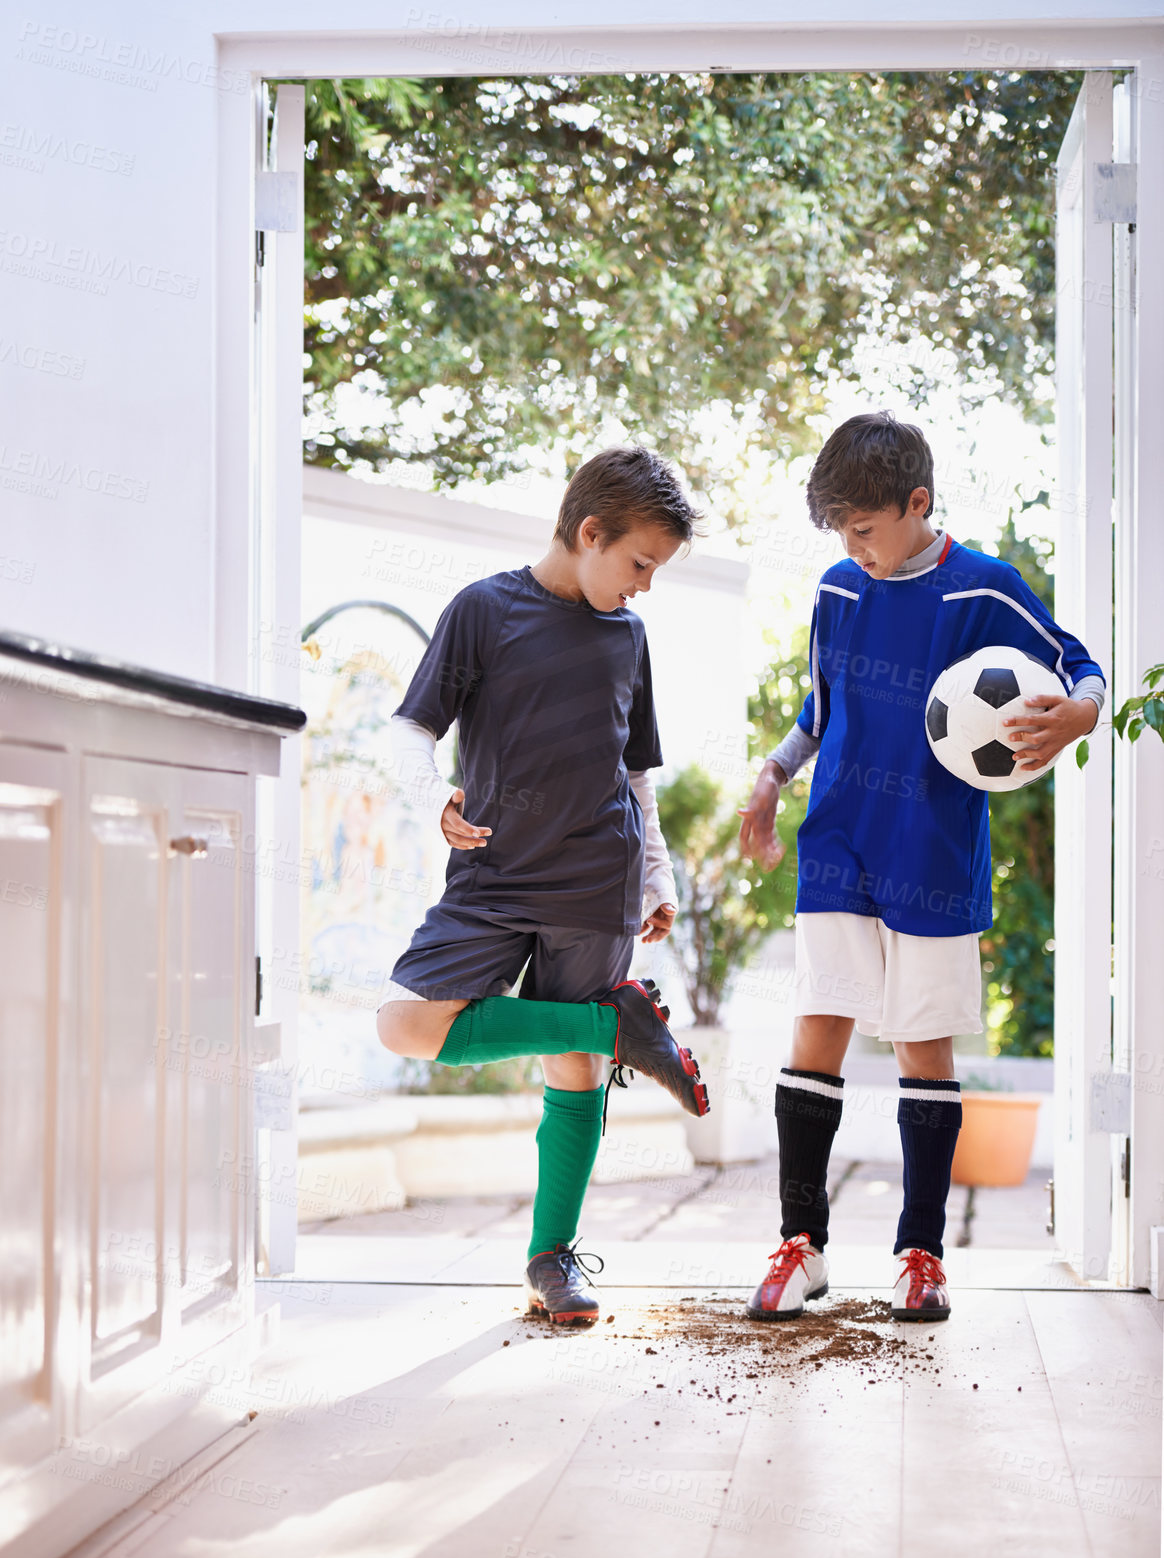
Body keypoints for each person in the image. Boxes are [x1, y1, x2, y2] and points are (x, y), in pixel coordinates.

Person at [737, 412, 1104, 1322]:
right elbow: (818, 713)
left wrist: (1082, 713)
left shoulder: (986, 588)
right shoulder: (836, 591)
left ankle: (921, 1255)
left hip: (933, 852)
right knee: (816, 1026)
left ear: (918, 503)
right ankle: (802, 1243)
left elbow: (1082, 666)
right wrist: (773, 774)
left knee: (922, 1044)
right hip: (838, 840)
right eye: (839, 534)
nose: (853, 549)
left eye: (864, 529)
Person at [376, 446, 709, 1327]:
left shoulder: (628, 637)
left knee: (574, 1065)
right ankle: (619, 1023)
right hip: (490, 875)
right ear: (589, 531)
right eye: (639, 563)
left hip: (595, 879)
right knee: (407, 1024)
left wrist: (656, 876)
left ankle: (551, 1259)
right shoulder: (484, 612)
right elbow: (411, 731)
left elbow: (637, 780)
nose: (645, 585)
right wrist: (432, 795)